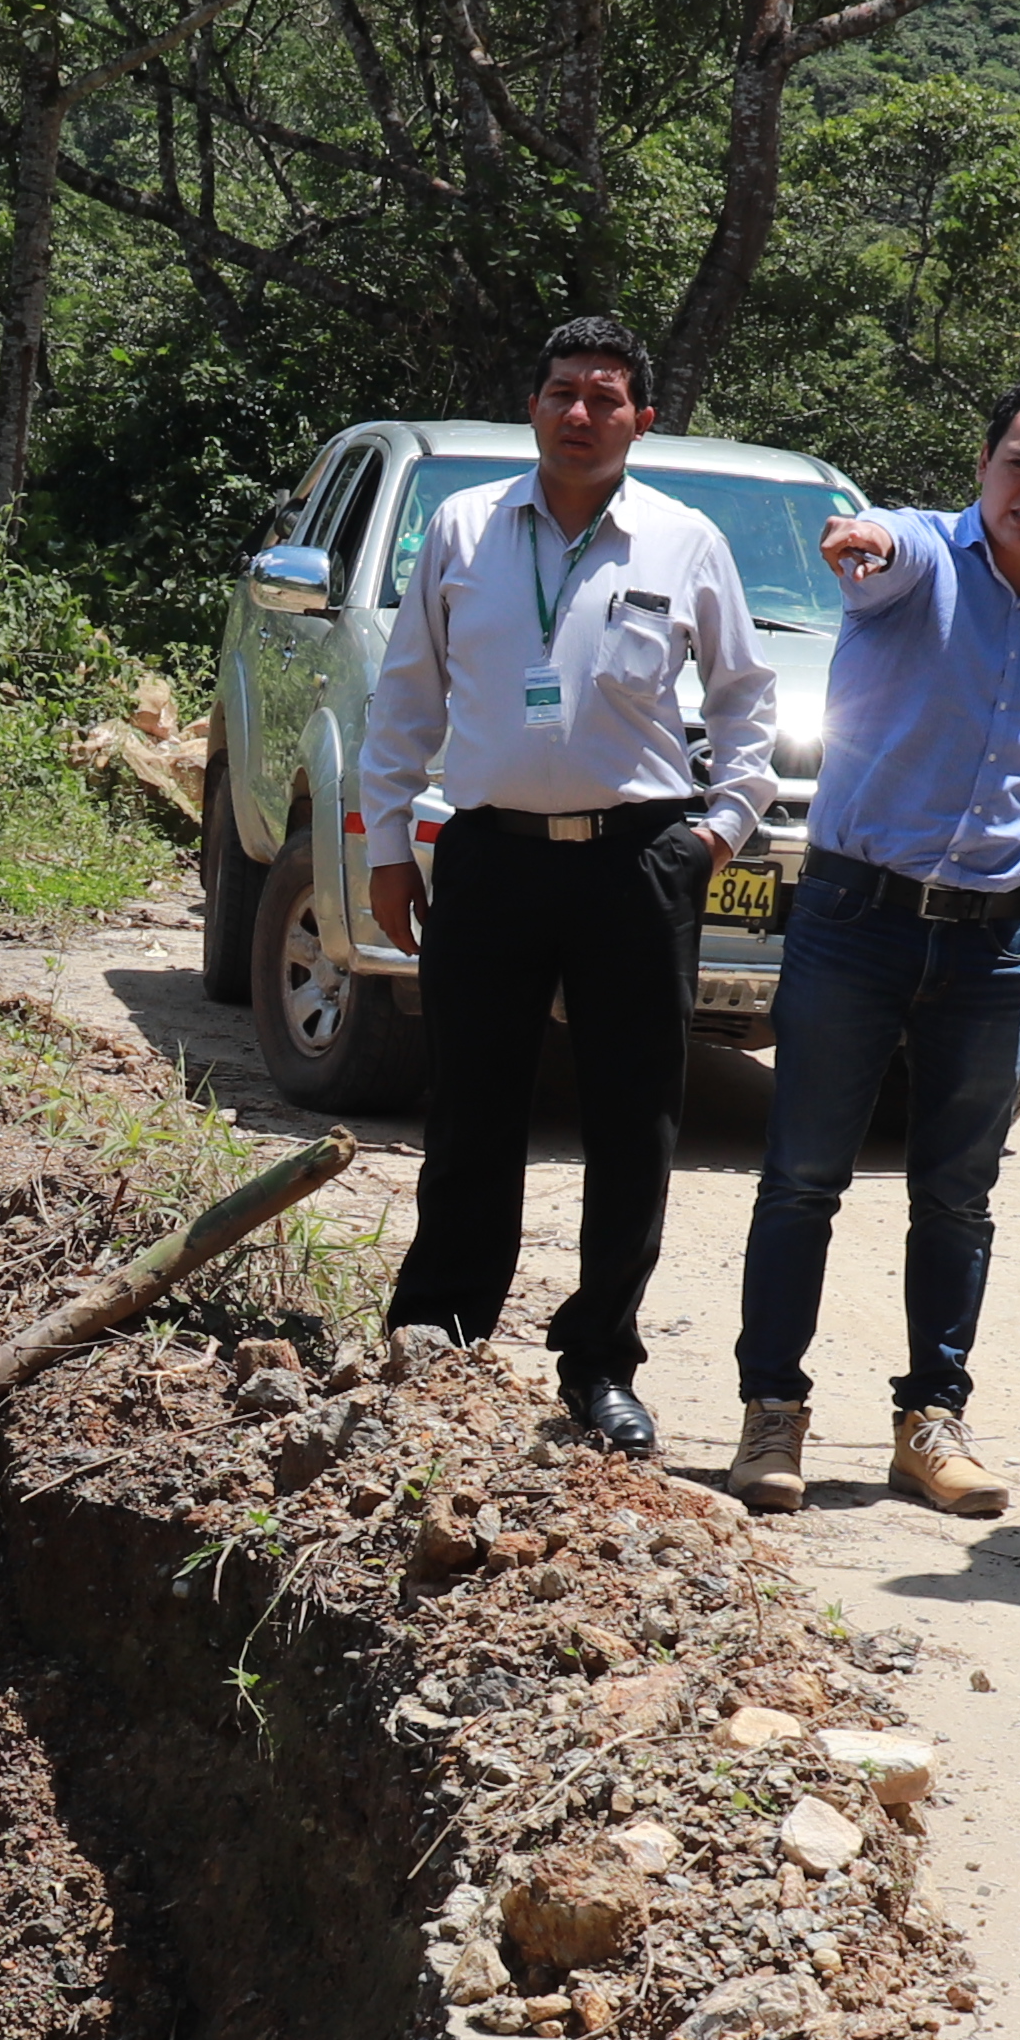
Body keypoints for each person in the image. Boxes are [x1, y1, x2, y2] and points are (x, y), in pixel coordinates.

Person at [360, 314, 782, 1455]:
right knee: (472, 1107)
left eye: (605, 396)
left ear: (643, 417)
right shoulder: (462, 525)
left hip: (636, 860)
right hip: (489, 853)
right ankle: (439, 1333)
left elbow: (745, 696)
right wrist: (389, 841)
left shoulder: (684, 541)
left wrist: (721, 832)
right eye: (560, 392)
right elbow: (406, 696)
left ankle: (600, 1360)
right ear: (532, 405)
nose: (579, 412)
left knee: (633, 1120)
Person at [726, 379, 1020, 1520]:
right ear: (984, 463)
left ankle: (930, 1421)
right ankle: (772, 1414)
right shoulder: (913, 564)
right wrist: (859, 534)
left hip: (994, 946)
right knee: (803, 1177)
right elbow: (886, 538)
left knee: (958, 1195)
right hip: (854, 919)